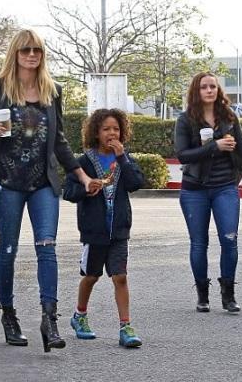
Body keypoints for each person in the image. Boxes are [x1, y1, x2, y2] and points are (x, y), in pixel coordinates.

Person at [0, 29, 98, 353]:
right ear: (15, 53)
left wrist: (82, 176)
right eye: (26, 50)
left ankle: (49, 320)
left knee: (47, 248)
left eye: (37, 50)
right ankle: (8, 314)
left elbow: (59, 141)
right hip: (8, 182)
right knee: (8, 249)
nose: (31, 55)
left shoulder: (52, 90)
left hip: (43, 183)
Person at [174, 72, 242, 313]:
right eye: (204, 87)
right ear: (196, 91)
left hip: (225, 187)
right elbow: (182, 155)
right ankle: (202, 295)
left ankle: (228, 295)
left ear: (218, 90)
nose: (209, 90)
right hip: (194, 189)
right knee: (199, 243)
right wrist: (214, 146)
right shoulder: (185, 120)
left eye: (213, 86)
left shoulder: (228, 117)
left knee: (229, 239)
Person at [63, 108, 145, 347]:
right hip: (94, 230)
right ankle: (80, 315)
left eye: (116, 129)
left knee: (120, 277)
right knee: (91, 276)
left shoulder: (125, 159)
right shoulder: (84, 162)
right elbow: (69, 192)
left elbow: (135, 183)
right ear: (96, 133)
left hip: (118, 230)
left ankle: (126, 326)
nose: (112, 133)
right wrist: (86, 188)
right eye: (106, 129)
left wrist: (122, 158)